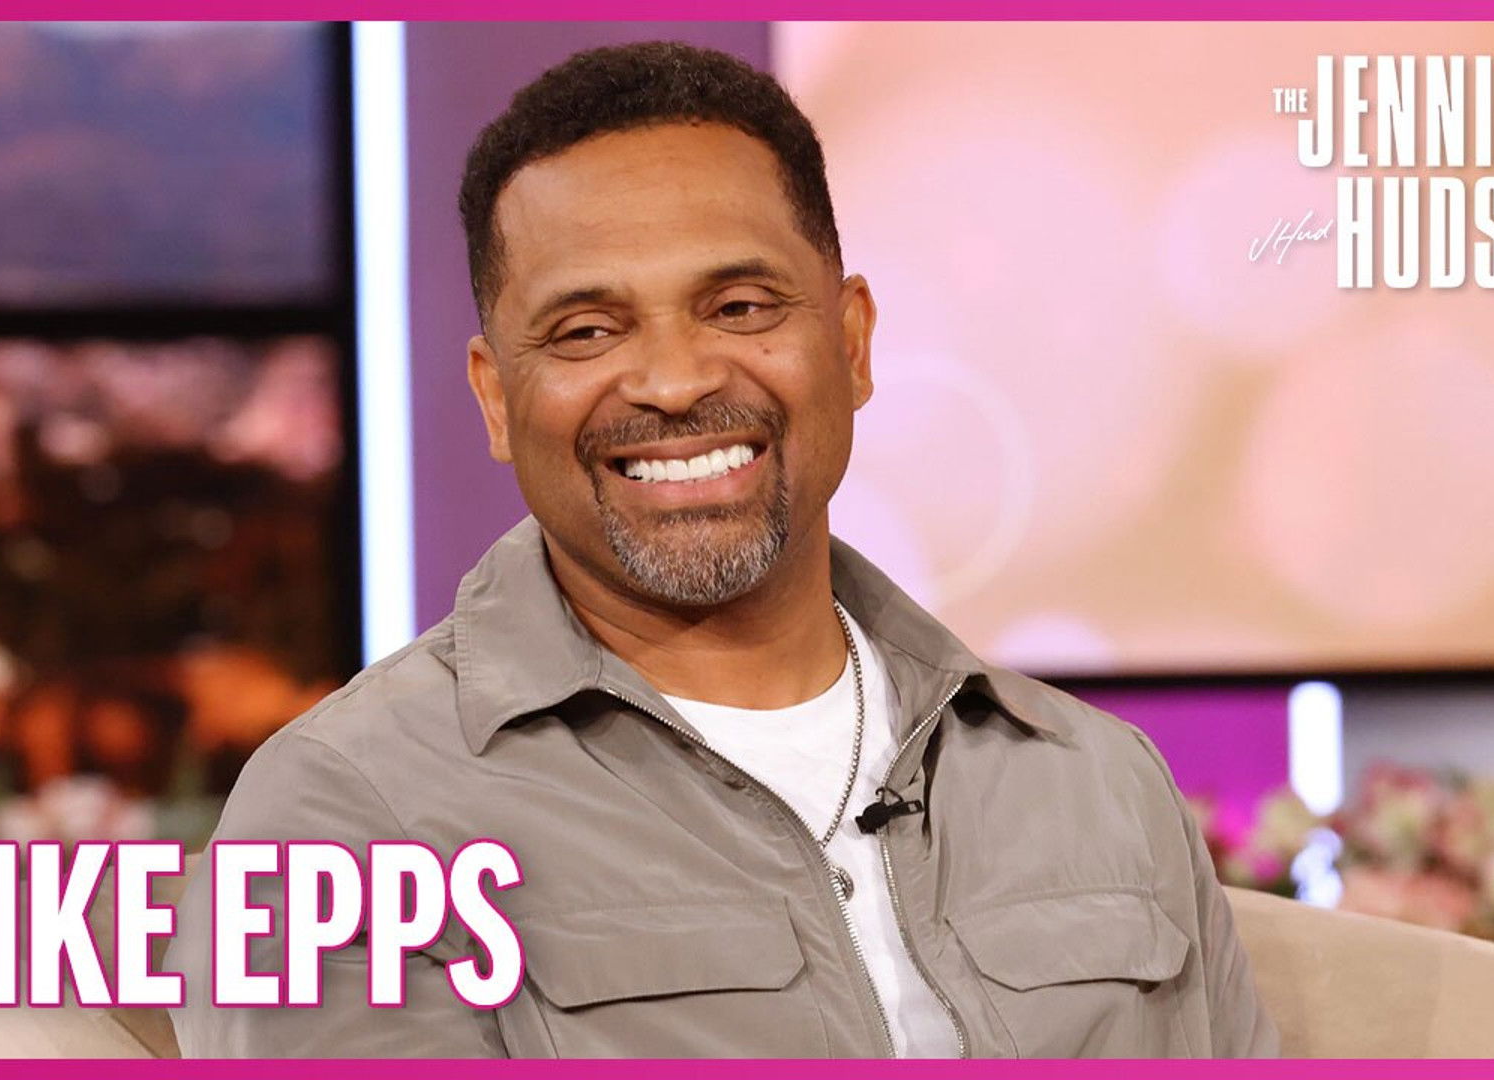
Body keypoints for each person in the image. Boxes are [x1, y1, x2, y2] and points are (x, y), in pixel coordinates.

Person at [168, 40, 1279, 1059]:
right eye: (587, 331)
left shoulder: (1097, 780)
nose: (675, 380)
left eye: (740, 307)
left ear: (851, 344)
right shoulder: (348, 816)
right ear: (497, 398)